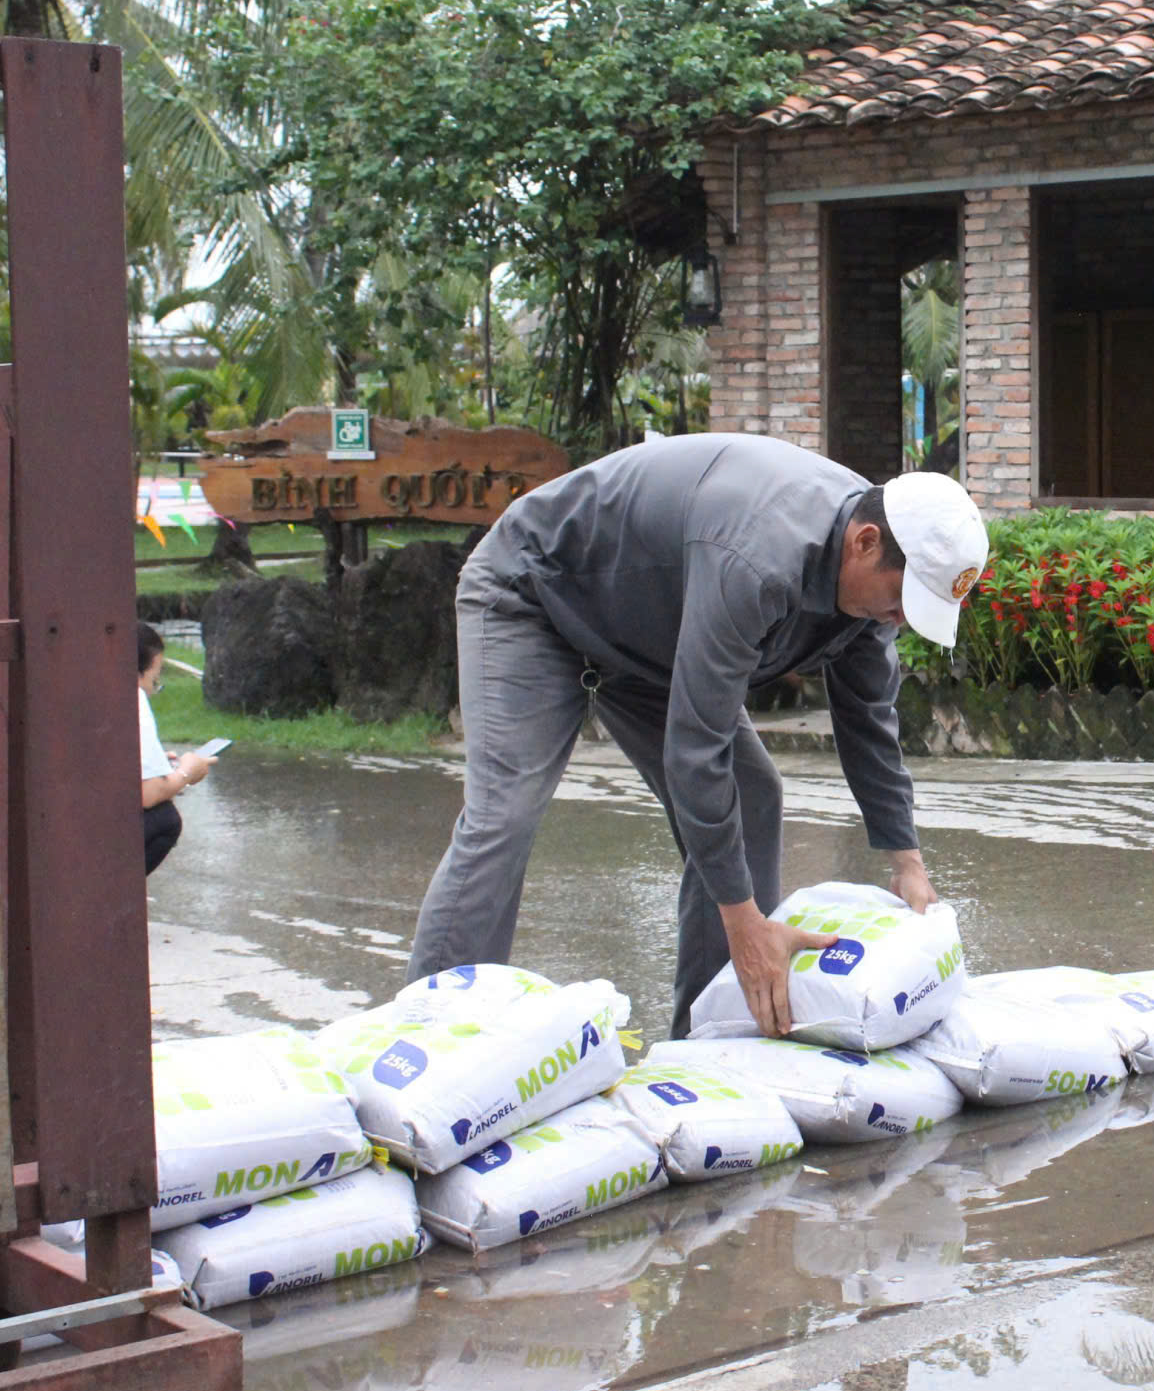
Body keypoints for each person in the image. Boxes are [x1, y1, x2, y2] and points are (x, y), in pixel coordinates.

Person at [406, 435, 989, 1039]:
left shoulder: (867, 589)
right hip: (534, 596)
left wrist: (906, 858)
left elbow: (869, 719)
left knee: (751, 792)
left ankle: (712, 1034)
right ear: (865, 544)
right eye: (900, 598)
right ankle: (426, 1037)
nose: (898, 618)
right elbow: (695, 750)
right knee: (505, 814)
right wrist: (745, 922)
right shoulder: (759, 557)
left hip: (647, 639)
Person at [138, 621, 212, 875]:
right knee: (164, 819)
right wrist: (186, 774)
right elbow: (149, 793)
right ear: (137, 673)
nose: (151, 690)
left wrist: (157, 764)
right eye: (154, 680)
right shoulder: (133, 697)